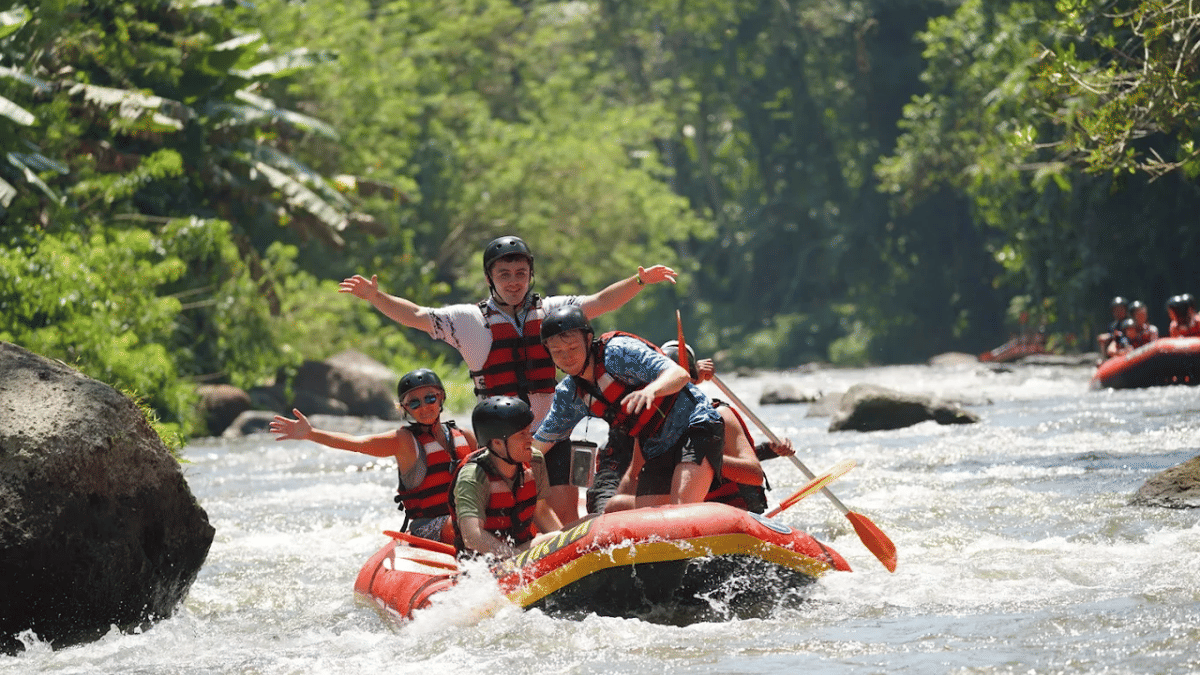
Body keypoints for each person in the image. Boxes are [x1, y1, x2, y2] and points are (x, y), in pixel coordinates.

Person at [339, 236, 677, 524]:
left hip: (551, 434)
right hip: (500, 441)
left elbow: (600, 302)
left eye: (521, 273)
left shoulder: (555, 311)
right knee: (521, 518)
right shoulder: (469, 321)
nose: (513, 282)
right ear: (490, 277)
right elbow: (415, 315)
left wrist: (639, 282)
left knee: (565, 519)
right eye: (504, 274)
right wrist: (375, 297)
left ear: (530, 274)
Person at [531, 305, 724, 511]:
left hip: (694, 426)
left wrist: (651, 390)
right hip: (657, 447)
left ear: (588, 340)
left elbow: (679, 375)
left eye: (572, 348)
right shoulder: (569, 394)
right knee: (648, 518)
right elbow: (540, 445)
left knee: (682, 507)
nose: (567, 357)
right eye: (557, 351)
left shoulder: (618, 353)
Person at [269, 368, 475, 545]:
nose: (424, 406)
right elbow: (358, 444)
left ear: (441, 397)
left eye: (430, 398)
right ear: (405, 408)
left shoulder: (464, 436)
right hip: (429, 527)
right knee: (462, 524)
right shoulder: (404, 441)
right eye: (414, 403)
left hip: (469, 520)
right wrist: (311, 434)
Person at [594, 340, 795, 515]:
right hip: (678, 504)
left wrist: (700, 457)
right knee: (617, 505)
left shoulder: (720, 416)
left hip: (724, 507)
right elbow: (633, 476)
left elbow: (754, 474)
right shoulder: (649, 421)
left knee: (677, 502)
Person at [449, 396, 563, 558]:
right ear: (497, 443)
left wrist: (569, 543)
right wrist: (514, 558)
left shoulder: (534, 461)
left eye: (529, 431)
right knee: (555, 538)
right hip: (483, 561)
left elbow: (541, 512)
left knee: (569, 532)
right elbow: (472, 537)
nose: (530, 439)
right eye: (521, 434)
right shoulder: (472, 476)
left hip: (519, 551)